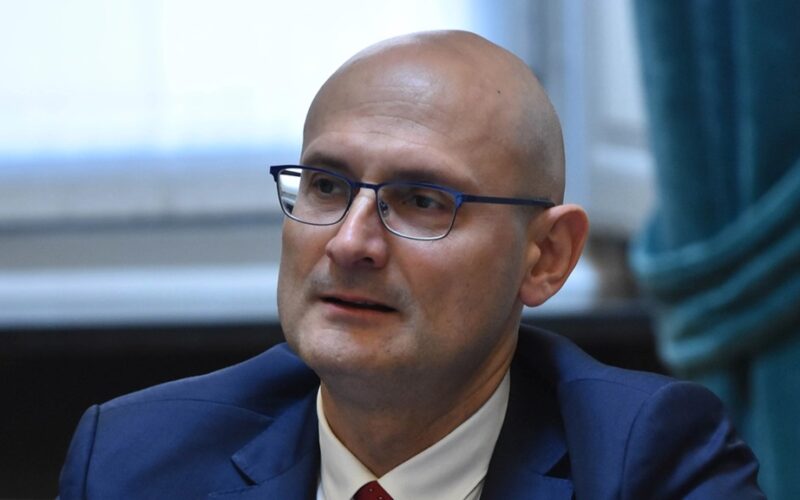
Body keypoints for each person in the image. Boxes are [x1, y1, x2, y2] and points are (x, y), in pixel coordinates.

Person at [58, 30, 764, 499]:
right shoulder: (134, 461)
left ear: (546, 258)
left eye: (423, 201)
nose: (349, 243)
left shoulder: (647, 463)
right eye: (326, 186)